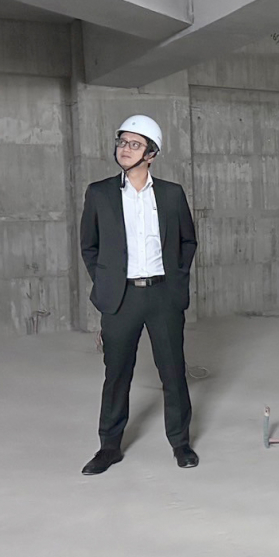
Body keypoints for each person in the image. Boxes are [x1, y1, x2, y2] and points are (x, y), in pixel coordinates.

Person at [79, 115, 198, 475]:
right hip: (121, 298)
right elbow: (89, 246)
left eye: (134, 144)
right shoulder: (99, 193)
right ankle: (109, 447)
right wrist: (106, 285)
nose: (125, 149)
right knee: (116, 374)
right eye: (122, 142)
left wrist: (176, 282)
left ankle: (180, 443)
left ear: (151, 153)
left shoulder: (172, 194)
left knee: (173, 372)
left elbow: (187, 241)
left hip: (163, 295)